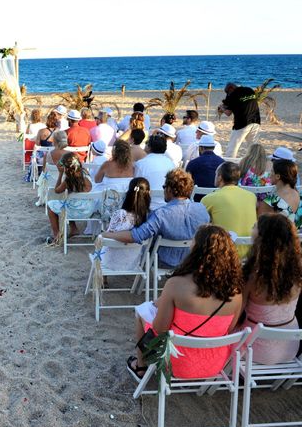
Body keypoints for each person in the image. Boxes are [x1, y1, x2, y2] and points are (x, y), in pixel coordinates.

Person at [127, 225, 243, 379]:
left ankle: (141, 367)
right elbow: (229, 329)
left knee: (142, 311)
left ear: (196, 251)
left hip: (175, 363)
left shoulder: (176, 284)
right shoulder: (236, 292)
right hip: (214, 364)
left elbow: (159, 329)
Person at [104, 168, 210, 268]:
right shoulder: (202, 209)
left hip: (164, 262)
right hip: (193, 261)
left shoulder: (161, 214)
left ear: (169, 189)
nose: (163, 190)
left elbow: (136, 236)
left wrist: (107, 234)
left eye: (164, 187)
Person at [239, 214, 302, 364]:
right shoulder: (298, 269)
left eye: (255, 226)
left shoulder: (252, 276)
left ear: (262, 238)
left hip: (253, 349)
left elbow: (237, 313)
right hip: (290, 347)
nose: (251, 228)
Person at [201, 162, 257, 257]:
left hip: (224, 253)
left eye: (216, 174)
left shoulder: (209, 198)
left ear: (220, 177)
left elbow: (200, 224)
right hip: (250, 253)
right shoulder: (252, 196)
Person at [102, 177, 151, 271]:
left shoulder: (120, 214)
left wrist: (102, 234)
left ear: (128, 193)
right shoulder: (149, 217)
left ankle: (104, 278)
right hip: (133, 263)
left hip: (110, 263)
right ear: (148, 194)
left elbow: (108, 238)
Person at [45, 152, 93, 244]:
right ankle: (73, 229)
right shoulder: (85, 173)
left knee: (50, 206)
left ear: (66, 167)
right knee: (70, 202)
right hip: (89, 209)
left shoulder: (68, 181)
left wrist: (60, 174)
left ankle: (57, 236)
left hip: (76, 211)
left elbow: (57, 190)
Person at [219, 83, 261, 158]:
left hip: (242, 123)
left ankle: (229, 166)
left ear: (231, 88)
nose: (227, 94)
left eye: (227, 92)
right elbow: (243, 103)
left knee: (232, 148)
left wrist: (221, 108)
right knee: (253, 148)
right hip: (256, 121)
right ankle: (255, 165)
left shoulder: (233, 94)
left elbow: (228, 113)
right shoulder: (249, 90)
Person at [133, 135, 175, 207]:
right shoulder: (171, 163)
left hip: (146, 206)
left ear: (149, 147)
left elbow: (135, 187)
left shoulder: (141, 164)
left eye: (146, 143)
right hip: (167, 205)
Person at [259, 159, 302, 228]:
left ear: (278, 176)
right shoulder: (300, 195)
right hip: (296, 237)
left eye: (272, 171)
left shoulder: (271, 201)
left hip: (278, 238)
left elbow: (261, 226)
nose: (269, 174)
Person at [185, 135, 225, 199]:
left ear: (201, 148)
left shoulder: (193, 163)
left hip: (196, 199)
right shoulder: (223, 163)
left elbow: (185, 183)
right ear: (213, 147)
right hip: (217, 198)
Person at [35, 131, 68, 207]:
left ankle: (43, 197)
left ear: (54, 141)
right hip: (65, 183)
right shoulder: (70, 154)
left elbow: (44, 170)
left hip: (51, 182)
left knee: (44, 176)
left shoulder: (48, 154)